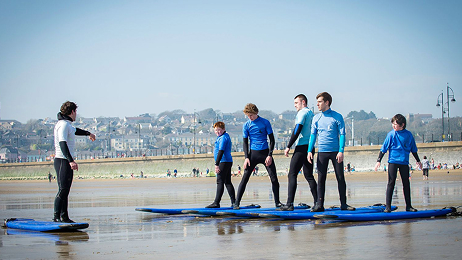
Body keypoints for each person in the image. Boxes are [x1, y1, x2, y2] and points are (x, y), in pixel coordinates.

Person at [307, 92, 354, 212]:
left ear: (327, 102)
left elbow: (342, 134)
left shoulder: (337, 116)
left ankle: (344, 204)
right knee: (321, 178)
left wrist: (341, 151)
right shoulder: (316, 118)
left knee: (340, 177)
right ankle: (319, 205)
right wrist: (309, 151)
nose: (317, 104)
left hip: (335, 152)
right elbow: (313, 135)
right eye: (317, 102)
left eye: (320, 102)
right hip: (322, 152)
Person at [53, 101, 95, 222]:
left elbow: (75, 130)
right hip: (62, 160)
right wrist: (71, 160)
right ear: (72, 111)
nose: (76, 114)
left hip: (64, 160)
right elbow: (62, 143)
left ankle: (64, 217)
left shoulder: (67, 124)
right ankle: (56, 217)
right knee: (62, 190)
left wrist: (88, 133)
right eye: (76, 111)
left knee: (65, 190)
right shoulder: (63, 125)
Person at [234, 103, 282, 209]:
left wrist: (270, 155)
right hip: (253, 155)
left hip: (265, 153)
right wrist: (246, 157)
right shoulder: (246, 125)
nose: (249, 117)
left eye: (251, 115)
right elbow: (245, 143)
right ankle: (236, 203)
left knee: (274, 179)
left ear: (256, 113)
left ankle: (277, 203)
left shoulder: (265, 122)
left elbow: (272, 140)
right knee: (244, 178)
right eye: (247, 116)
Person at [374, 114, 422, 213]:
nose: (393, 126)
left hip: (404, 162)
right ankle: (388, 207)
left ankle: (409, 206)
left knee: (406, 184)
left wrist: (418, 161)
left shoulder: (408, 135)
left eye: (395, 124)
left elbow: (413, 149)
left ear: (402, 125)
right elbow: (383, 149)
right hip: (393, 162)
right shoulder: (391, 134)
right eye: (393, 124)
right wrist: (378, 161)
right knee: (391, 183)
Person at [278, 94, 318, 211]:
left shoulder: (302, 113)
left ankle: (289, 204)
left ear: (303, 102)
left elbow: (297, 129)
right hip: (310, 147)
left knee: (292, 174)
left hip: (301, 147)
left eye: (296, 103)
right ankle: (318, 202)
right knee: (309, 175)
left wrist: (288, 146)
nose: (295, 106)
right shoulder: (311, 113)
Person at [206, 122, 236, 208]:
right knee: (227, 182)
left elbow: (221, 151)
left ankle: (216, 203)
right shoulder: (224, 136)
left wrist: (216, 164)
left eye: (219, 130)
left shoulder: (223, 138)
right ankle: (234, 202)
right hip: (226, 161)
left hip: (223, 161)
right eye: (216, 130)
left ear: (223, 129)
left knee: (220, 181)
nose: (217, 132)